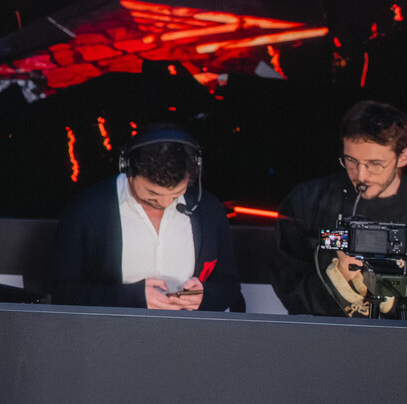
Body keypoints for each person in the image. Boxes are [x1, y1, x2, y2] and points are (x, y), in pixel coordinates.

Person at [48, 127, 243, 312]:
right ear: (128, 170)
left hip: (187, 334)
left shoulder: (208, 209)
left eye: (176, 194)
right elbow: (63, 294)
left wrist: (201, 296)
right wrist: (132, 298)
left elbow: (230, 288)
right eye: (152, 194)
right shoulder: (86, 209)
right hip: (111, 334)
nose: (165, 203)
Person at [274, 100, 407, 317]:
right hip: (323, 334)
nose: (361, 175)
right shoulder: (307, 201)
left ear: (402, 157)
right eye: (351, 161)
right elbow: (288, 284)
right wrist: (337, 277)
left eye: (375, 164)